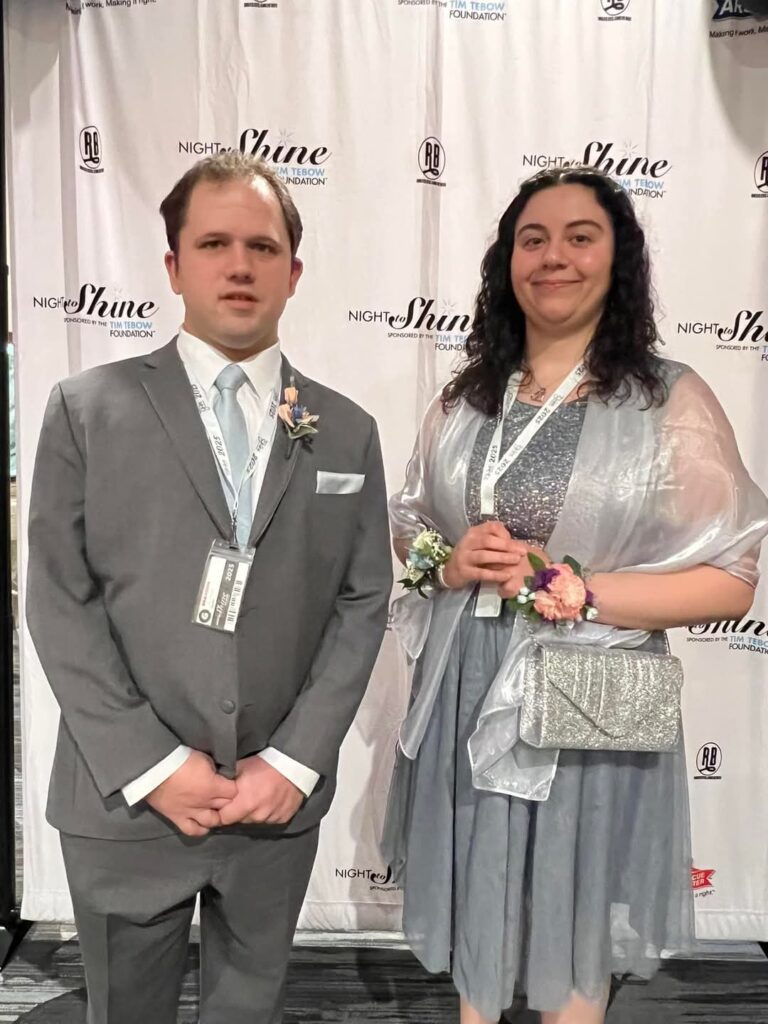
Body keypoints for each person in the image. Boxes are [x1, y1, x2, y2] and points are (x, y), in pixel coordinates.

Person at [382, 166, 768, 1024]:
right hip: (469, 679)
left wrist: (577, 588)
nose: (554, 256)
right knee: (478, 906)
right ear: (507, 262)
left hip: (587, 690)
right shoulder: (466, 400)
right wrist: (450, 563)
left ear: (617, 260)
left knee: (576, 914)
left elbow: (732, 579)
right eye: (534, 239)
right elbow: (411, 533)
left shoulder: (668, 399)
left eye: (579, 237)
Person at [26, 151, 392, 1024]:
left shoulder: (345, 430)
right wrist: (153, 765)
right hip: (126, 801)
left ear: (293, 272)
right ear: (173, 265)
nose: (239, 266)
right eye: (214, 244)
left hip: (274, 804)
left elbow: (361, 601)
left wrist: (293, 761)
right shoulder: (88, 410)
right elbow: (58, 600)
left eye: (262, 247)